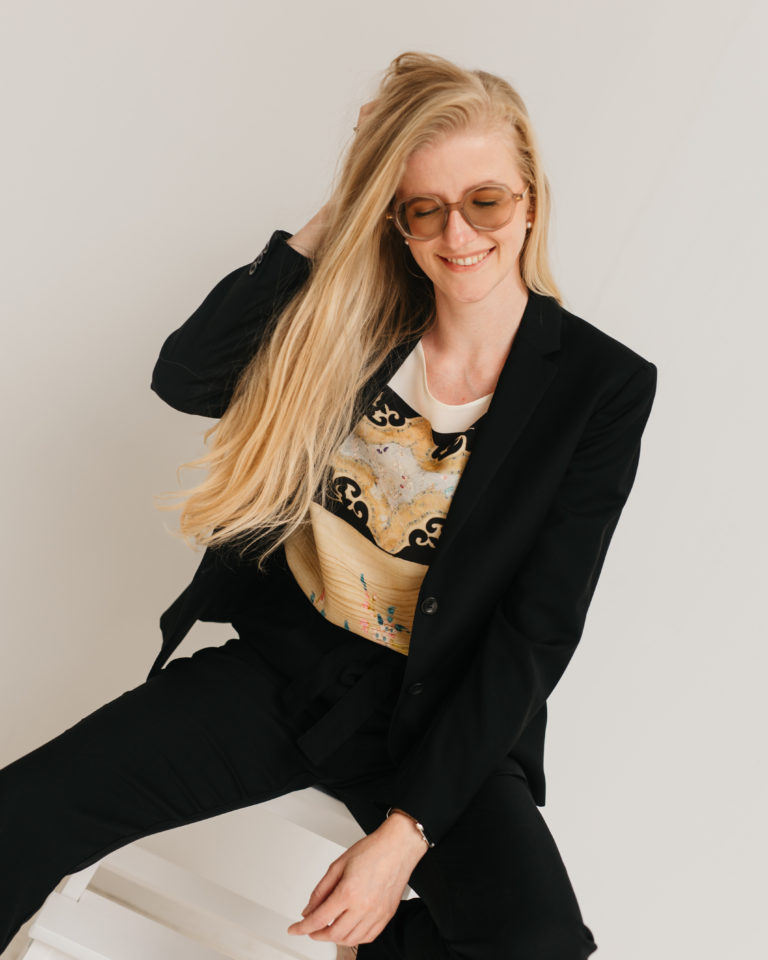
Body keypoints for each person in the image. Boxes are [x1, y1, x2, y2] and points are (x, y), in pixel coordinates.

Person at [0, 51, 657, 959]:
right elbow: (186, 375)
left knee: (539, 944)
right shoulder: (356, 323)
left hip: (441, 715)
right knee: (20, 817)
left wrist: (404, 836)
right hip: (285, 673)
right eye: (423, 207)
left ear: (531, 198)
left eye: (486, 201)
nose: (457, 234)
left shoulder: (600, 385)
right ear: (396, 216)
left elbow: (536, 630)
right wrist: (337, 212)